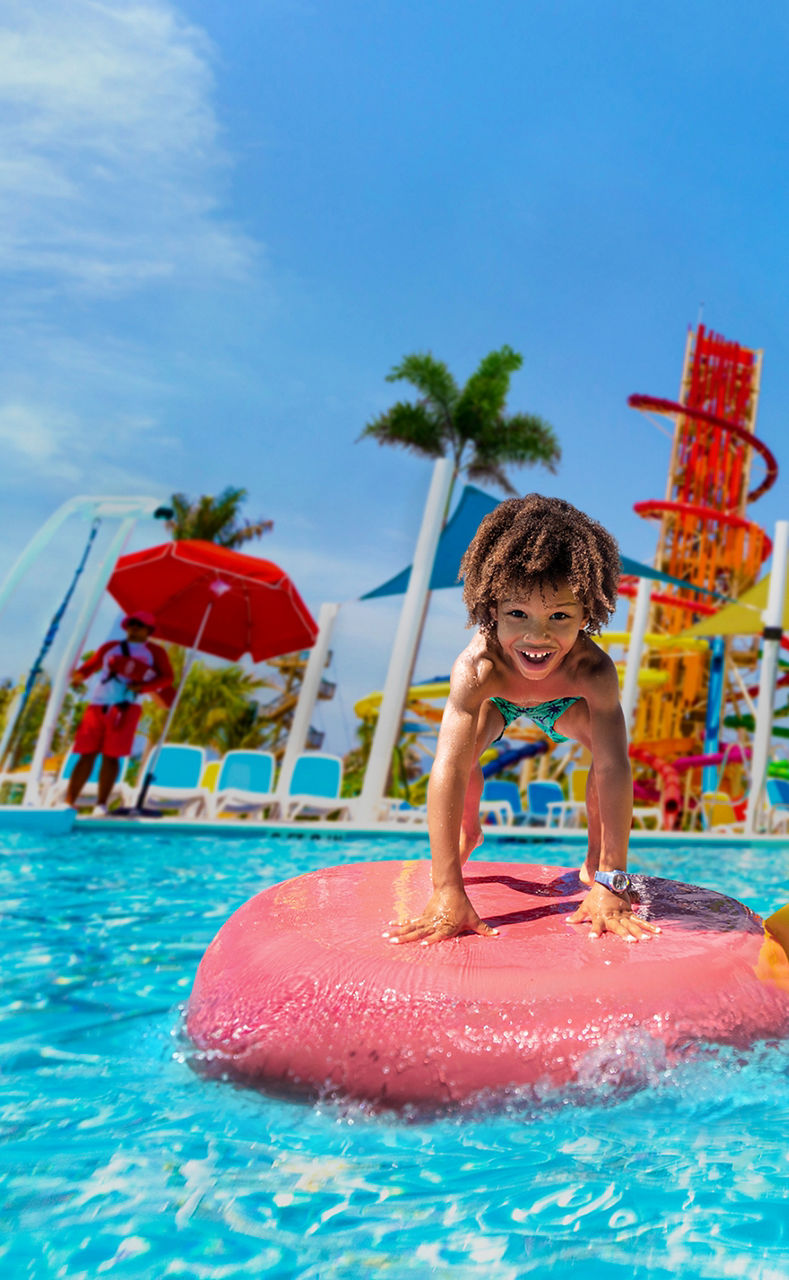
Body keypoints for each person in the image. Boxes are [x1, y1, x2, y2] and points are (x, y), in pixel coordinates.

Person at [386, 493, 661, 947]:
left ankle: (598, 863)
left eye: (560, 616)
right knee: (464, 749)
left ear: (587, 616)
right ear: (491, 610)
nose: (538, 635)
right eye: (518, 614)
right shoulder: (478, 667)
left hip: (564, 701)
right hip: (502, 700)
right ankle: (471, 829)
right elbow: (448, 768)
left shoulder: (592, 672)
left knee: (605, 751)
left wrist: (616, 882)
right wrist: (446, 889)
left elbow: (615, 766)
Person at [68, 612, 174, 815]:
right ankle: (69, 802)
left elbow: (167, 678)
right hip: (97, 705)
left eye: (140, 625)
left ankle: (101, 804)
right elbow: (90, 667)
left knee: (111, 756)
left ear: (148, 630)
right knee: (86, 753)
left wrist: (142, 688)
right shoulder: (110, 647)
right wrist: (77, 676)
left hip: (126, 707)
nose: (134, 627)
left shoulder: (156, 652)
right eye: (131, 623)